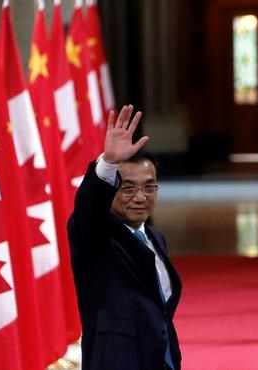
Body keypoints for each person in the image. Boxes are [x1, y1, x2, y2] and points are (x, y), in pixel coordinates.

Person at [68, 105, 182, 370]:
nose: (140, 197)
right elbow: (88, 207)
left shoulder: (155, 237)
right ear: (111, 191)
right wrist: (108, 164)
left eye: (149, 186)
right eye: (127, 187)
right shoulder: (94, 235)